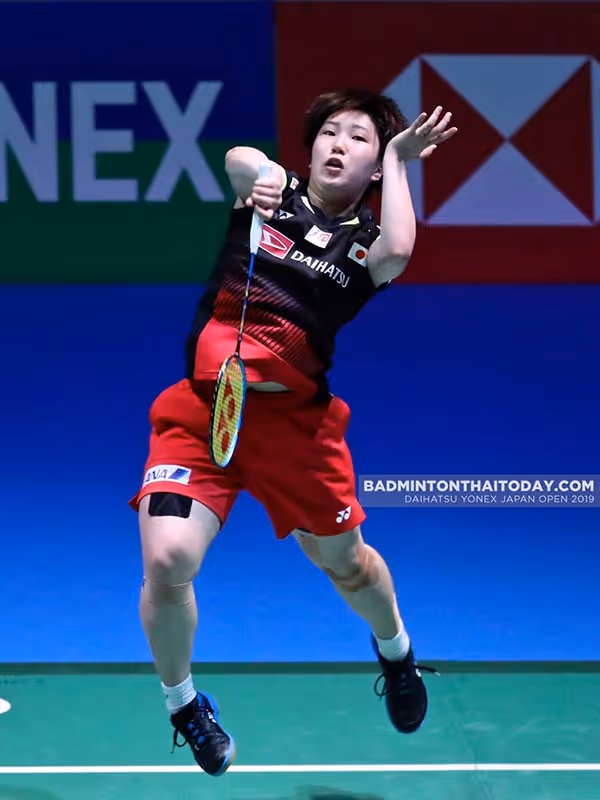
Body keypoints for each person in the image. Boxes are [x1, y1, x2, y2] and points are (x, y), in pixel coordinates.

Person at [129, 87, 457, 776]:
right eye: (330, 131)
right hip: (203, 414)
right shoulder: (270, 197)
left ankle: (397, 654)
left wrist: (400, 159)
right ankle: (184, 705)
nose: (339, 144)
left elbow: (399, 250)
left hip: (296, 432)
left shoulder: (365, 245)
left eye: (359, 138)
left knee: (348, 565)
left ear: (374, 168)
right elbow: (239, 160)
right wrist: (261, 175)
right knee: (167, 562)